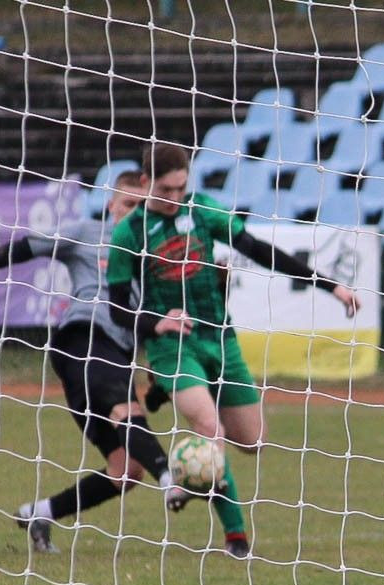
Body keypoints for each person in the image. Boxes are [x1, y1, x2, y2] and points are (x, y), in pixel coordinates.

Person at [107, 142, 360, 557]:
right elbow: (117, 308)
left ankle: (174, 419)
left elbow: (257, 250)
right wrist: (158, 322)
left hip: (220, 340)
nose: (174, 198)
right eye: (165, 190)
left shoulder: (204, 210)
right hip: (172, 347)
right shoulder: (128, 233)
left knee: (253, 440)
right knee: (211, 429)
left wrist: (330, 285)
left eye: (180, 188)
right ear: (146, 182)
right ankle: (236, 536)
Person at [0, 171, 189, 553]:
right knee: (125, 412)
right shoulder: (89, 234)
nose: (134, 212)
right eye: (128, 204)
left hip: (116, 355)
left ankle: (39, 513)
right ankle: (169, 478)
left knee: (126, 471)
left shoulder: (152, 257)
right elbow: (29, 246)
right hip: (83, 338)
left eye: (142, 206)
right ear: (111, 205)